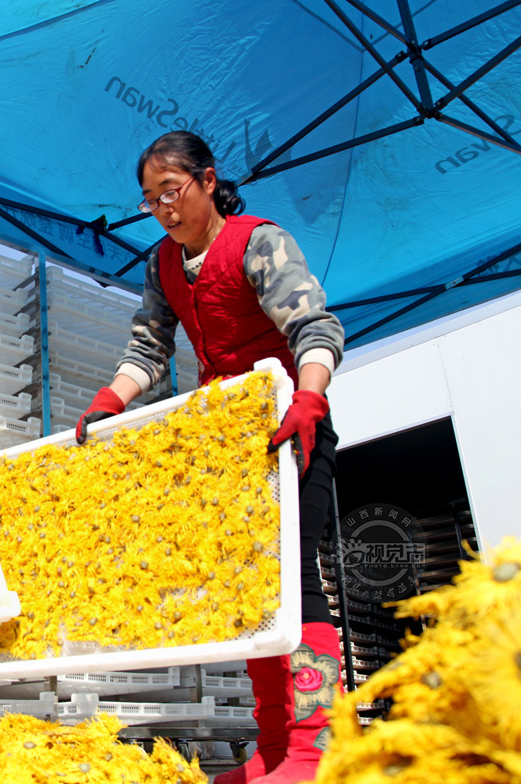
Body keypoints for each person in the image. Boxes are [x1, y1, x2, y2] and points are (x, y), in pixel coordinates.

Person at [75, 131, 344, 784]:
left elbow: (316, 326)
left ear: (207, 180)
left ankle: (318, 746)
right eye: (149, 200)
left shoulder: (258, 242)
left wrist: (308, 400)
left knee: (299, 587)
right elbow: (149, 347)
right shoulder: (163, 266)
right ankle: (274, 747)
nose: (163, 209)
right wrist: (112, 398)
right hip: (226, 444)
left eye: (170, 191)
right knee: (248, 596)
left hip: (290, 426)